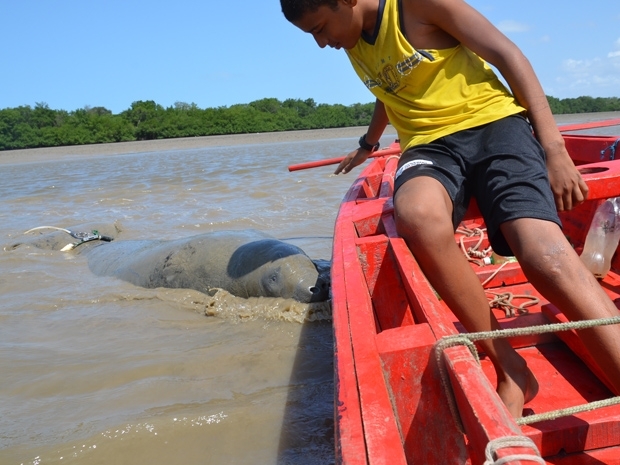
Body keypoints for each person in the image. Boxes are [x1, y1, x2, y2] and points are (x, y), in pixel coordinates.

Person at [280, 0, 620, 418]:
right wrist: (369, 144)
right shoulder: (350, 39)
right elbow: (390, 89)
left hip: (494, 124)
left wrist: (554, 148)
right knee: (417, 216)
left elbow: (508, 54)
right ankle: (510, 368)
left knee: (544, 257)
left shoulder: (416, 6)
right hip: (429, 146)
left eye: (320, 28)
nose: (321, 43)